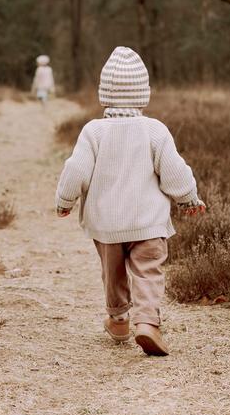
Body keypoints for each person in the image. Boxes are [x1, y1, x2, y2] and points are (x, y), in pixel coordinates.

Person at [54, 45, 205, 356]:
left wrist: (65, 200)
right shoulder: (154, 130)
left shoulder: (94, 131)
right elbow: (174, 170)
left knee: (113, 273)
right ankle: (147, 322)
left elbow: (76, 169)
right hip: (148, 223)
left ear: (104, 93)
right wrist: (188, 198)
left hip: (107, 225)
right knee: (148, 271)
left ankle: (119, 320)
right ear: (143, 94)